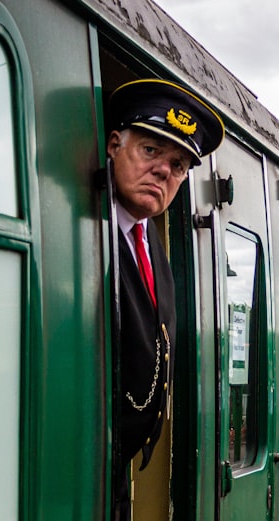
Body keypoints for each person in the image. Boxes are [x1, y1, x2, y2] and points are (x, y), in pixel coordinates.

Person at [108, 78, 224, 470]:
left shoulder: (150, 241)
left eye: (177, 165)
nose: (162, 171)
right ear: (113, 146)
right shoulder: (88, 230)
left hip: (119, 467)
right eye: (150, 150)